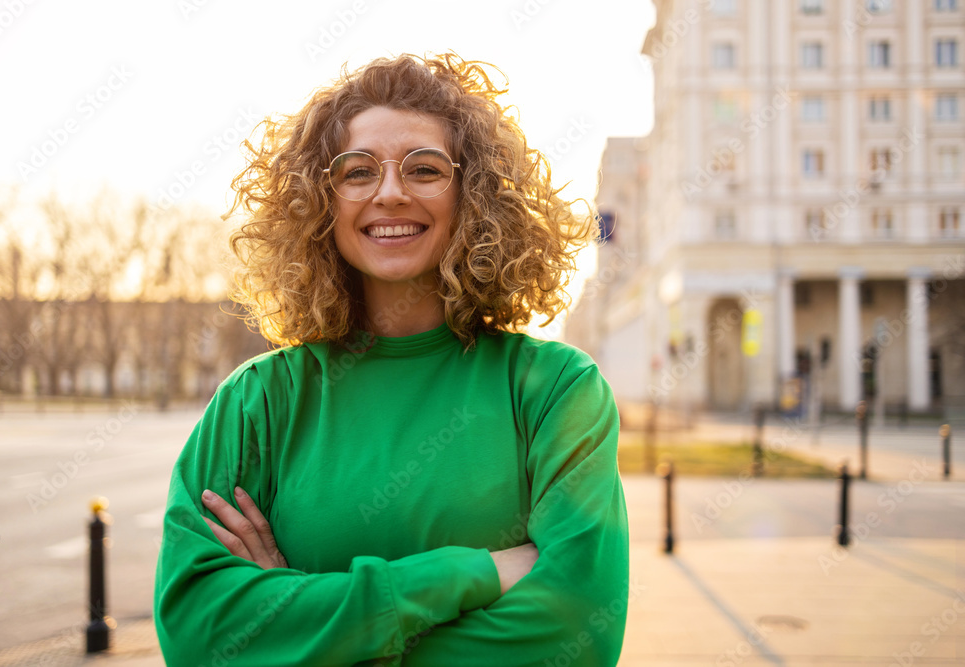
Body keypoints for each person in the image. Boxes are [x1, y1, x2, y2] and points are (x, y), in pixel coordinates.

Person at [154, 52, 629, 666]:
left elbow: (578, 631)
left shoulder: (555, 390)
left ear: (474, 192)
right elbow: (199, 635)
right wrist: (471, 575)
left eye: (425, 169)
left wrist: (300, 623)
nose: (390, 193)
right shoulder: (260, 400)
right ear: (320, 198)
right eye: (356, 172)